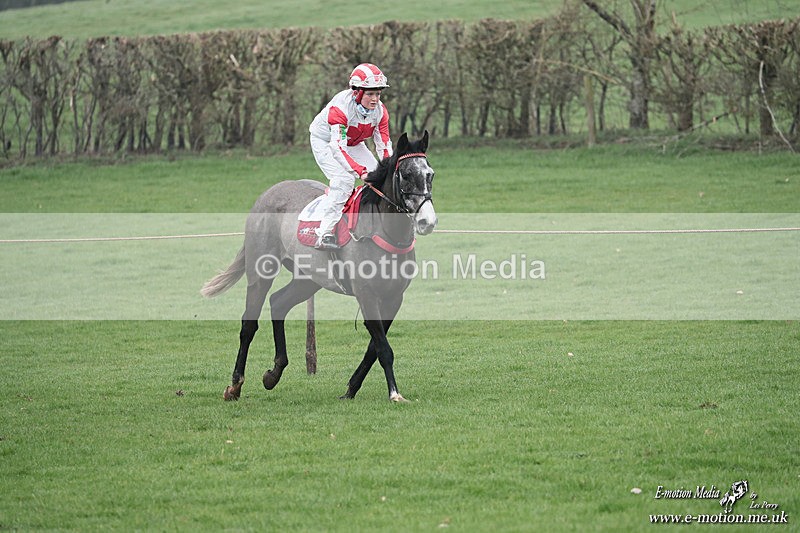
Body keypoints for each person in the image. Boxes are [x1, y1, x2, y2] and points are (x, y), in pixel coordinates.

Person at [308, 63, 393, 250]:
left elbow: (384, 146)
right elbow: (337, 147)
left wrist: (389, 170)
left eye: (378, 94)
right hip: (326, 142)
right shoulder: (340, 108)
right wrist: (360, 171)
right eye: (370, 94)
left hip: (354, 144)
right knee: (344, 180)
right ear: (357, 92)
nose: (375, 99)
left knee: (382, 179)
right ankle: (324, 234)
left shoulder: (380, 112)